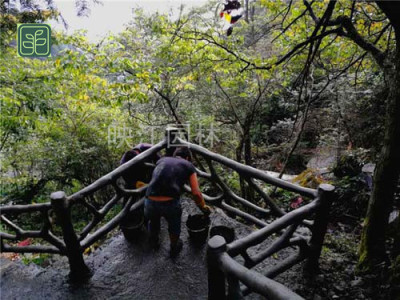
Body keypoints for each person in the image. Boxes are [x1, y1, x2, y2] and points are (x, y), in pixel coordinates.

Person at [144, 147, 211, 256]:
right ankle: (174, 247)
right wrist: (203, 206)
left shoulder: (161, 160)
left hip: (149, 200)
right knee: (174, 225)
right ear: (188, 158)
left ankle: (154, 242)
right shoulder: (188, 165)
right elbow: (196, 193)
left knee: (153, 221)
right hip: (169, 203)